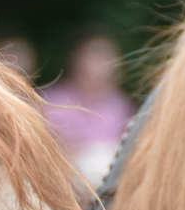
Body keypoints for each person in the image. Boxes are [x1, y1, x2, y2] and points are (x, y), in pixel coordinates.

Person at [39, 33, 134, 186]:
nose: (99, 64)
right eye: (94, 56)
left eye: (105, 57)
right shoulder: (55, 100)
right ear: (77, 60)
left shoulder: (118, 104)